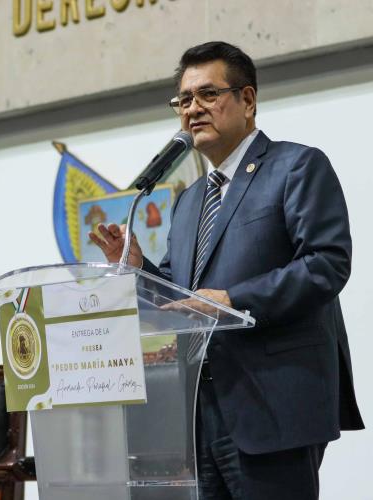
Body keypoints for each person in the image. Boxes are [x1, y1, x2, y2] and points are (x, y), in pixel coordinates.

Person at [90, 41, 364, 499]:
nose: (193, 109)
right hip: (198, 411)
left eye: (208, 95)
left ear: (248, 100)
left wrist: (235, 300)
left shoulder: (296, 166)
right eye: (183, 100)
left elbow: (326, 264)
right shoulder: (191, 197)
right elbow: (179, 294)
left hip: (273, 403)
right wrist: (138, 268)